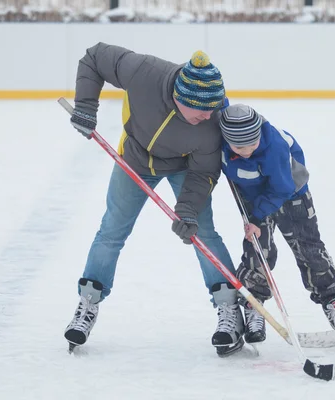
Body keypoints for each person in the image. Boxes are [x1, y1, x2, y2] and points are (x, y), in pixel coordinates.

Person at [64, 43, 244, 357]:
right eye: (201, 109)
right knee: (112, 231)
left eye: (213, 108)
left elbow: (204, 173)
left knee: (203, 232)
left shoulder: (212, 122)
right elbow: (93, 58)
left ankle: (229, 311)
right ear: (180, 97)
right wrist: (86, 106)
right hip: (135, 160)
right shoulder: (143, 72)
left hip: (184, 167)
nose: (208, 115)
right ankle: (88, 303)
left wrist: (187, 210)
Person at [218, 104, 335, 344]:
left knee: (309, 248)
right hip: (253, 197)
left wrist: (255, 219)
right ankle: (255, 307)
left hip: (290, 193)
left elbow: (281, 188)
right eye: (239, 147)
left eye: (252, 144)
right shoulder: (220, 140)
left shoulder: (273, 146)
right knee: (257, 251)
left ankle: (333, 302)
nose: (246, 151)